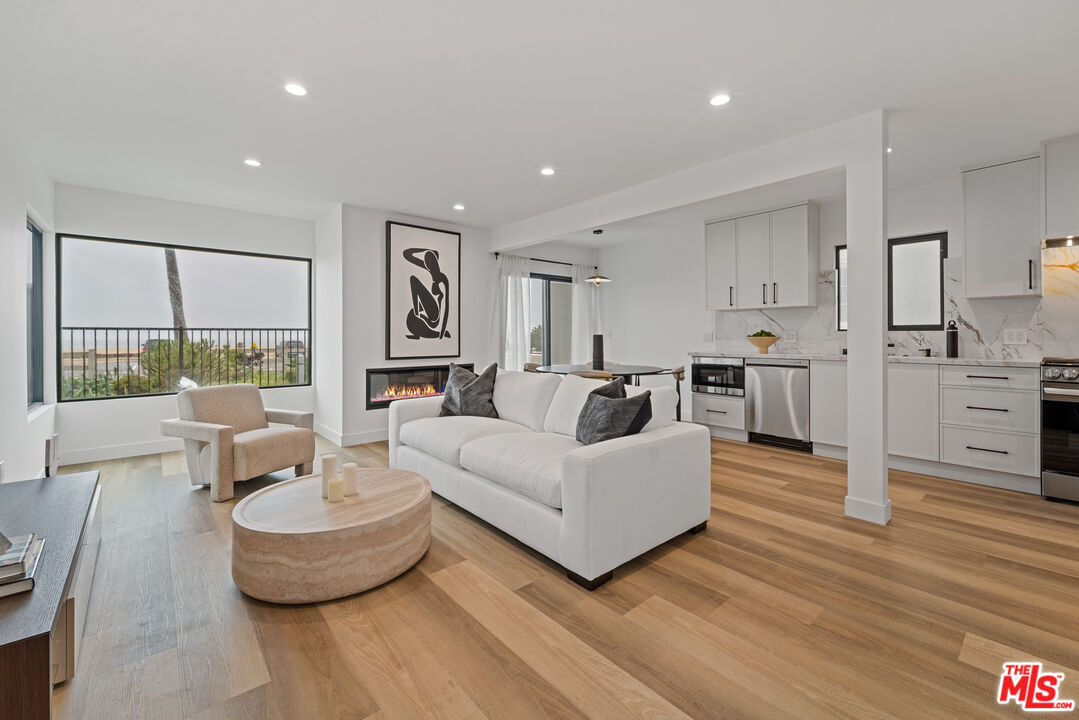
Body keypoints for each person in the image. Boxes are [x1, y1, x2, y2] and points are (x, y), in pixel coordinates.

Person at [403, 247, 451, 340]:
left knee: (413, 280)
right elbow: (407, 254)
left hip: (435, 317)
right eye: (426, 262)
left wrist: (442, 331)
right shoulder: (429, 269)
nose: (427, 264)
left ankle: (417, 313)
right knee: (413, 280)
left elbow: (446, 306)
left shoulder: (442, 278)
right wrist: (426, 250)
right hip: (428, 311)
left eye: (430, 262)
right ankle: (417, 324)